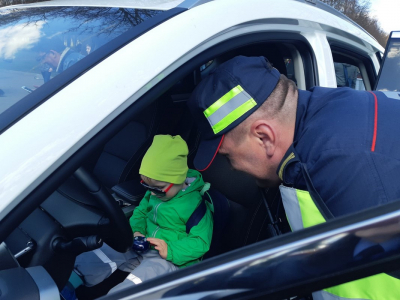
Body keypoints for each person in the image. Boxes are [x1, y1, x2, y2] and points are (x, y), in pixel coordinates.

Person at [187, 55, 400, 300]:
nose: (232, 168)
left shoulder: (337, 174)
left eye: (227, 156)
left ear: (264, 138)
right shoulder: (331, 106)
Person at [74, 134, 213, 294]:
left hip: (170, 258)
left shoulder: (195, 205)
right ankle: (74, 279)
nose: (152, 194)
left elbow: (201, 242)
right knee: (109, 250)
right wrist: (136, 231)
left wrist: (170, 250)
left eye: (158, 188)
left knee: (140, 282)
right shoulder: (156, 192)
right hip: (143, 244)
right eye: (147, 187)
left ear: (179, 179)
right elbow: (140, 212)